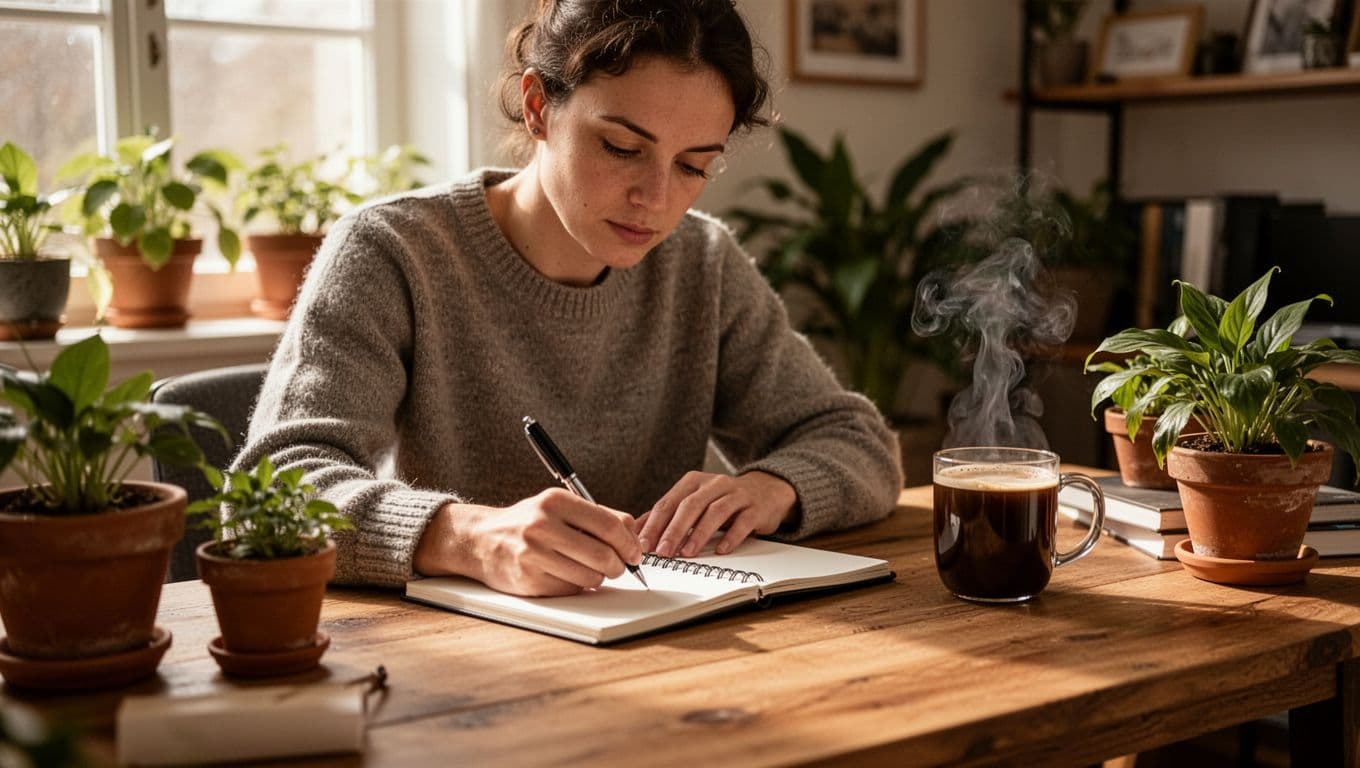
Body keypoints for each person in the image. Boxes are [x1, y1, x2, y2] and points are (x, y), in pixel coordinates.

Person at [234, 0, 903, 597]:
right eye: (620, 147)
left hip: (667, 650)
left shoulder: (703, 262)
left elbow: (859, 443)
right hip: (444, 673)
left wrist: (767, 491)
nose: (657, 199)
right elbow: (269, 493)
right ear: (537, 107)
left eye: (694, 165)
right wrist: (468, 539)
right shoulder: (392, 252)